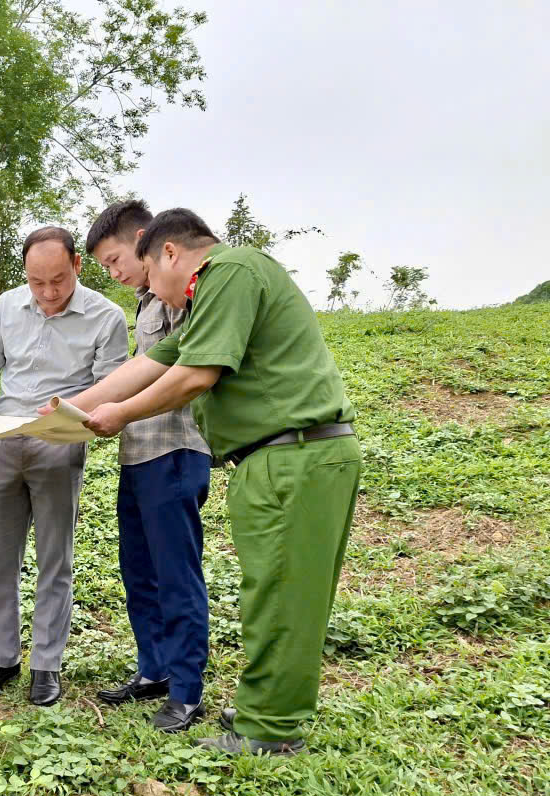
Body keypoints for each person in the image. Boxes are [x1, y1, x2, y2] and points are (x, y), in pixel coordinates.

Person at [50, 208, 360, 755]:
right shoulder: (207, 300)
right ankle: (270, 706)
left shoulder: (230, 272)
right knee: (276, 592)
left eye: (145, 270)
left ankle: (270, 729)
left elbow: (194, 376)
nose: (150, 289)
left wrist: (121, 415)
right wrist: (61, 410)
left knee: (282, 597)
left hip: (295, 455)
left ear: (169, 252)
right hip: (276, 459)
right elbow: (147, 366)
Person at [0, 226, 130, 706]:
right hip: (3, 440)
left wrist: (71, 411)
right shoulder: (7, 306)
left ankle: (47, 665)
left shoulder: (106, 317)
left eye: (58, 280)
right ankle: (0, 658)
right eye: (36, 281)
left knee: (54, 559)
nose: (47, 292)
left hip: (59, 444)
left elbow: (113, 384)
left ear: (77, 266)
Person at [84, 200, 213, 733]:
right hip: (137, 452)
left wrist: (116, 409)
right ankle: (154, 668)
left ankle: (185, 689)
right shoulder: (144, 304)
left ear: (146, 242)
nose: (114, 274)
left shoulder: (184, 294)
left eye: (115, 261)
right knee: (139, 569)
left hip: (175, 450)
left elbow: (180, 371)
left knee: (175, 572)